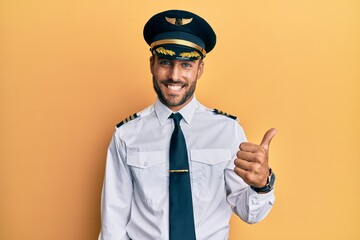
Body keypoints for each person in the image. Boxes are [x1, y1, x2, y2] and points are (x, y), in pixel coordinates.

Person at [99, 9, 276, 240]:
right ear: (152, 64)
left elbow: (250, 213)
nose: (174, 75)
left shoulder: (227, 131)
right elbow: (113, 221)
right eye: (165, 62)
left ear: (200, 69)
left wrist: (262, 184)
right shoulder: (126, 134)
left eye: (186, 65)